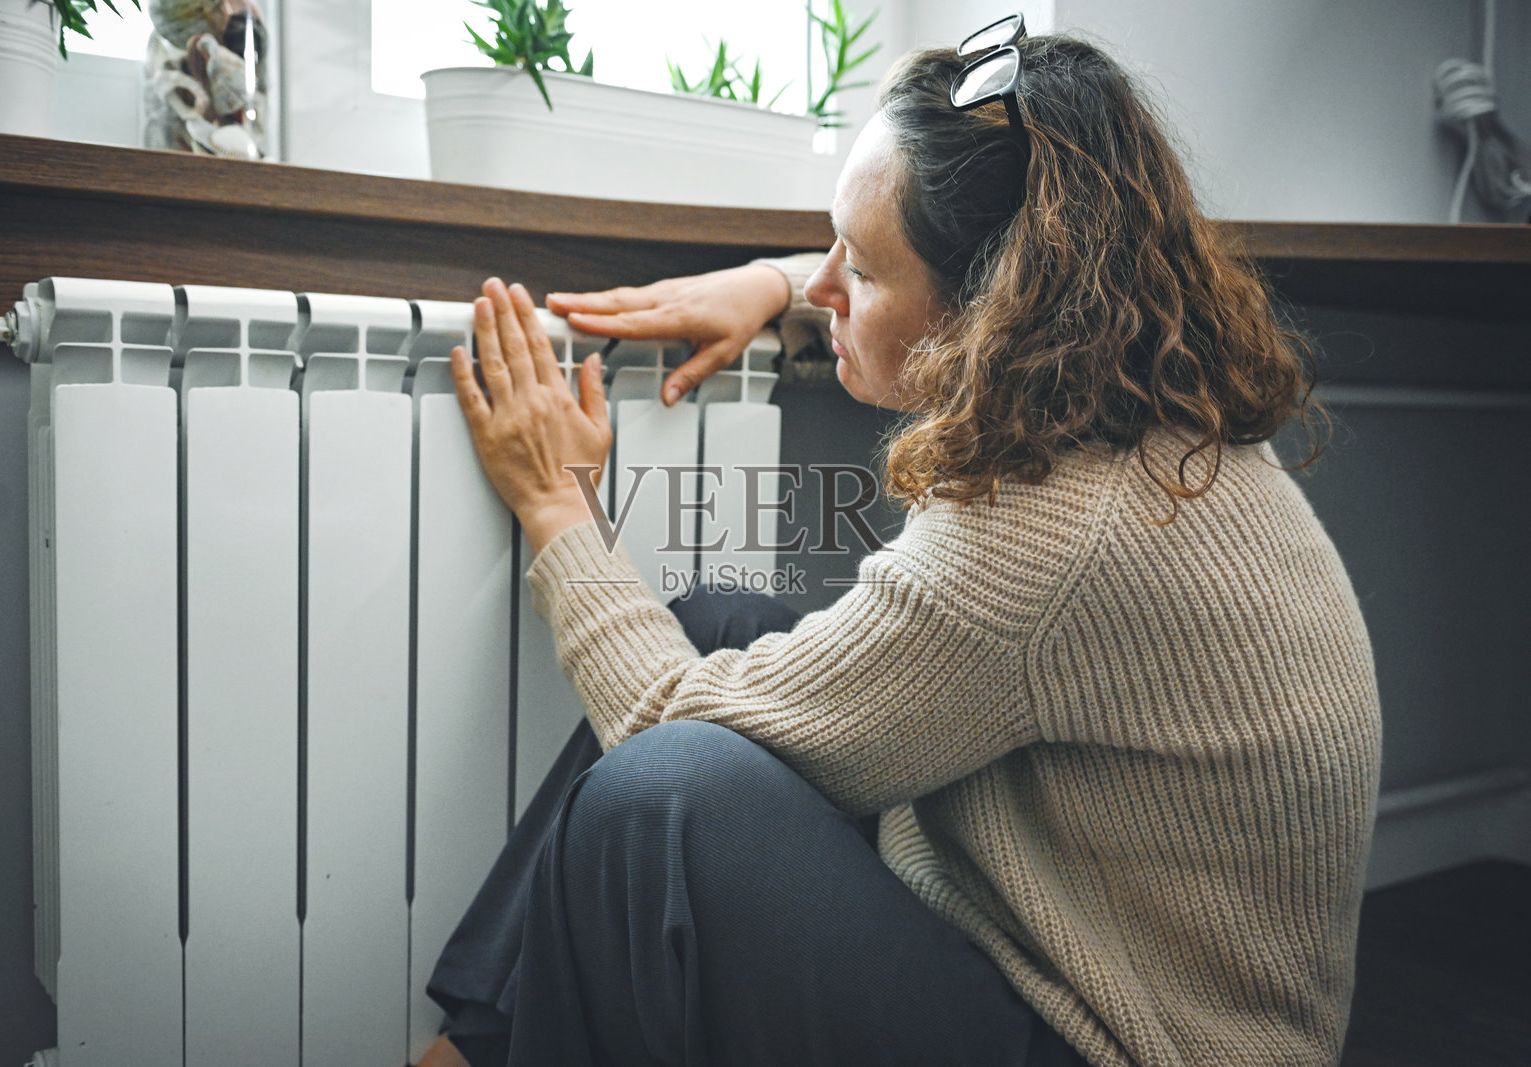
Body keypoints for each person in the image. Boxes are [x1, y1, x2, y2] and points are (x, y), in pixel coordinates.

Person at [419, 20, 1382, 1067]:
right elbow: (928, 262)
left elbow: (657, 721)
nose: (828, 282)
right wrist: (775, 283)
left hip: (1119, 1044)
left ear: (992, 313)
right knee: (718, 623)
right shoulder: (1131, 401)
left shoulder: (1052, 528)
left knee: (664, 791)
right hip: (1035, 939)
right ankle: (471, 1052)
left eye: (861, 270)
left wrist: (559, 507)